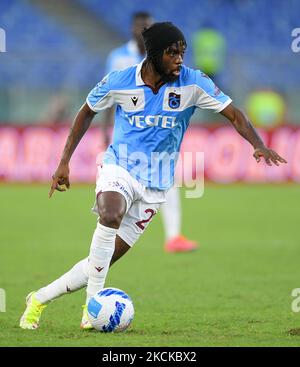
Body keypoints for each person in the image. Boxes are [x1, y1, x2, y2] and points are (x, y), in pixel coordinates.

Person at [20, 22, 286, 330]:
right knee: (110, 213)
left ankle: (38, 298)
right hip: (119, 166)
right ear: (155, 55)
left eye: (182, 53)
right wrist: (63, 162)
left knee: (101, 261)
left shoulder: (194, 82)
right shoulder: (120, 80)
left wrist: (258, 144)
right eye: (173, 53)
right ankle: (92, 309)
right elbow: (86, 111)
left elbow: (234, 113)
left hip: (156, 185)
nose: (179, 60)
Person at [103, 12, 198, 253]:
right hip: (130, 134)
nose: (142, 29)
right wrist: (106, 129)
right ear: (132, 28)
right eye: (139, 25)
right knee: (126, 181)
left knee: (167, 177)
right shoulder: (118, 58)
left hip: (157, 129)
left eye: (147, 26)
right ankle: (112, 229)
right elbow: (108, 94)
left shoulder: (162, 57)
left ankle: (174, 235)